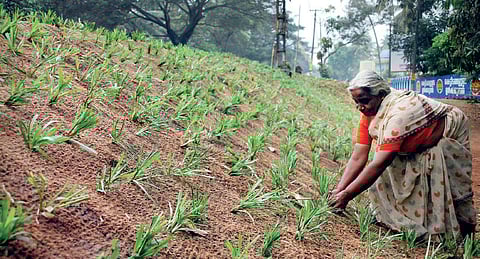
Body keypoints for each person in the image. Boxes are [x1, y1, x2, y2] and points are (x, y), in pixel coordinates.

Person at [330, 70, 477, 239]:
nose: (360, 107)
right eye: (356, 103)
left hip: (449, 131)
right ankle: (416, 224)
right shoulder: (369, 114)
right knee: (397, 171)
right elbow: (358, 156)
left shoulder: (399, 114)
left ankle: (464, 235)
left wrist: (347, 196)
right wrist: (339, 191)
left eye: (363, 101)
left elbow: (380, 163)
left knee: (451, 183)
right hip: (415, 142)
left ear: (381, 95)